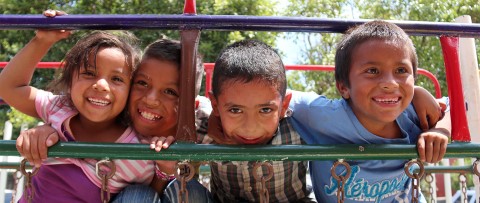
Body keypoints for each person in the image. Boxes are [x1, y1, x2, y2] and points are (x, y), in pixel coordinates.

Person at [288, 20, 451, 202]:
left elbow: (457, 106)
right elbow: (274, 95)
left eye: (400, 70)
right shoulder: (320, 115)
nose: (390, 82)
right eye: (372, 70)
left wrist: (440, 129)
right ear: (343, 87)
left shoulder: (415, 113)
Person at [0, 21, 159, 203]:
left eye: (116, 79)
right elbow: (8, 87)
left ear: (130, 91)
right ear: (70, 79)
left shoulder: (136, 155)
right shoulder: (60, 108)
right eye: (89, 73)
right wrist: (42, 40)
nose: (101, 85)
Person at [204, 39, 313, 202]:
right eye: (235, 110)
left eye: (265, 110)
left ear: (284, 106)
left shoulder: (300, 126)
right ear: (215, 105)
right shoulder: (204, 129)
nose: (250, 128)